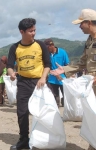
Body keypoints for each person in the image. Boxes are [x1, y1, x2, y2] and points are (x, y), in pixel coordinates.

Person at [50, 8, 96, 150]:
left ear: (88, 22)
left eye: (81, 23)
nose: (79, 27)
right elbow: (82, 62)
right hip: (92, 85)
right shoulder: (89, 41)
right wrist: (65, 69)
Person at [7, 18, 51, 150]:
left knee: (43, 112)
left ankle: (45, 140)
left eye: (34, 30)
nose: (34, 33)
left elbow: (48, 64)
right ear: (22, 32)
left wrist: (43, 78)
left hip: (39, 82)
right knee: (22, 111)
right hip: (23, 83)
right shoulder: (15, 47)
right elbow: (9, 66)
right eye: (31, 31)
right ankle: (24, 139)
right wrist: (11, 73)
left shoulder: (41, 45)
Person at [44, 38, 69, 107]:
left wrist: (62, 73)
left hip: (62, 78)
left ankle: (64, 107)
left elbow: (67, 65)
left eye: (48, 47)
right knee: (54, 96)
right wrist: (55, 74)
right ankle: (56, 107)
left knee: (65, 95)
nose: (47, 49)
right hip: (52, 80)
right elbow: (46, 66)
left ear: (52, 45)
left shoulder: (62, 52)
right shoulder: (47, 54)